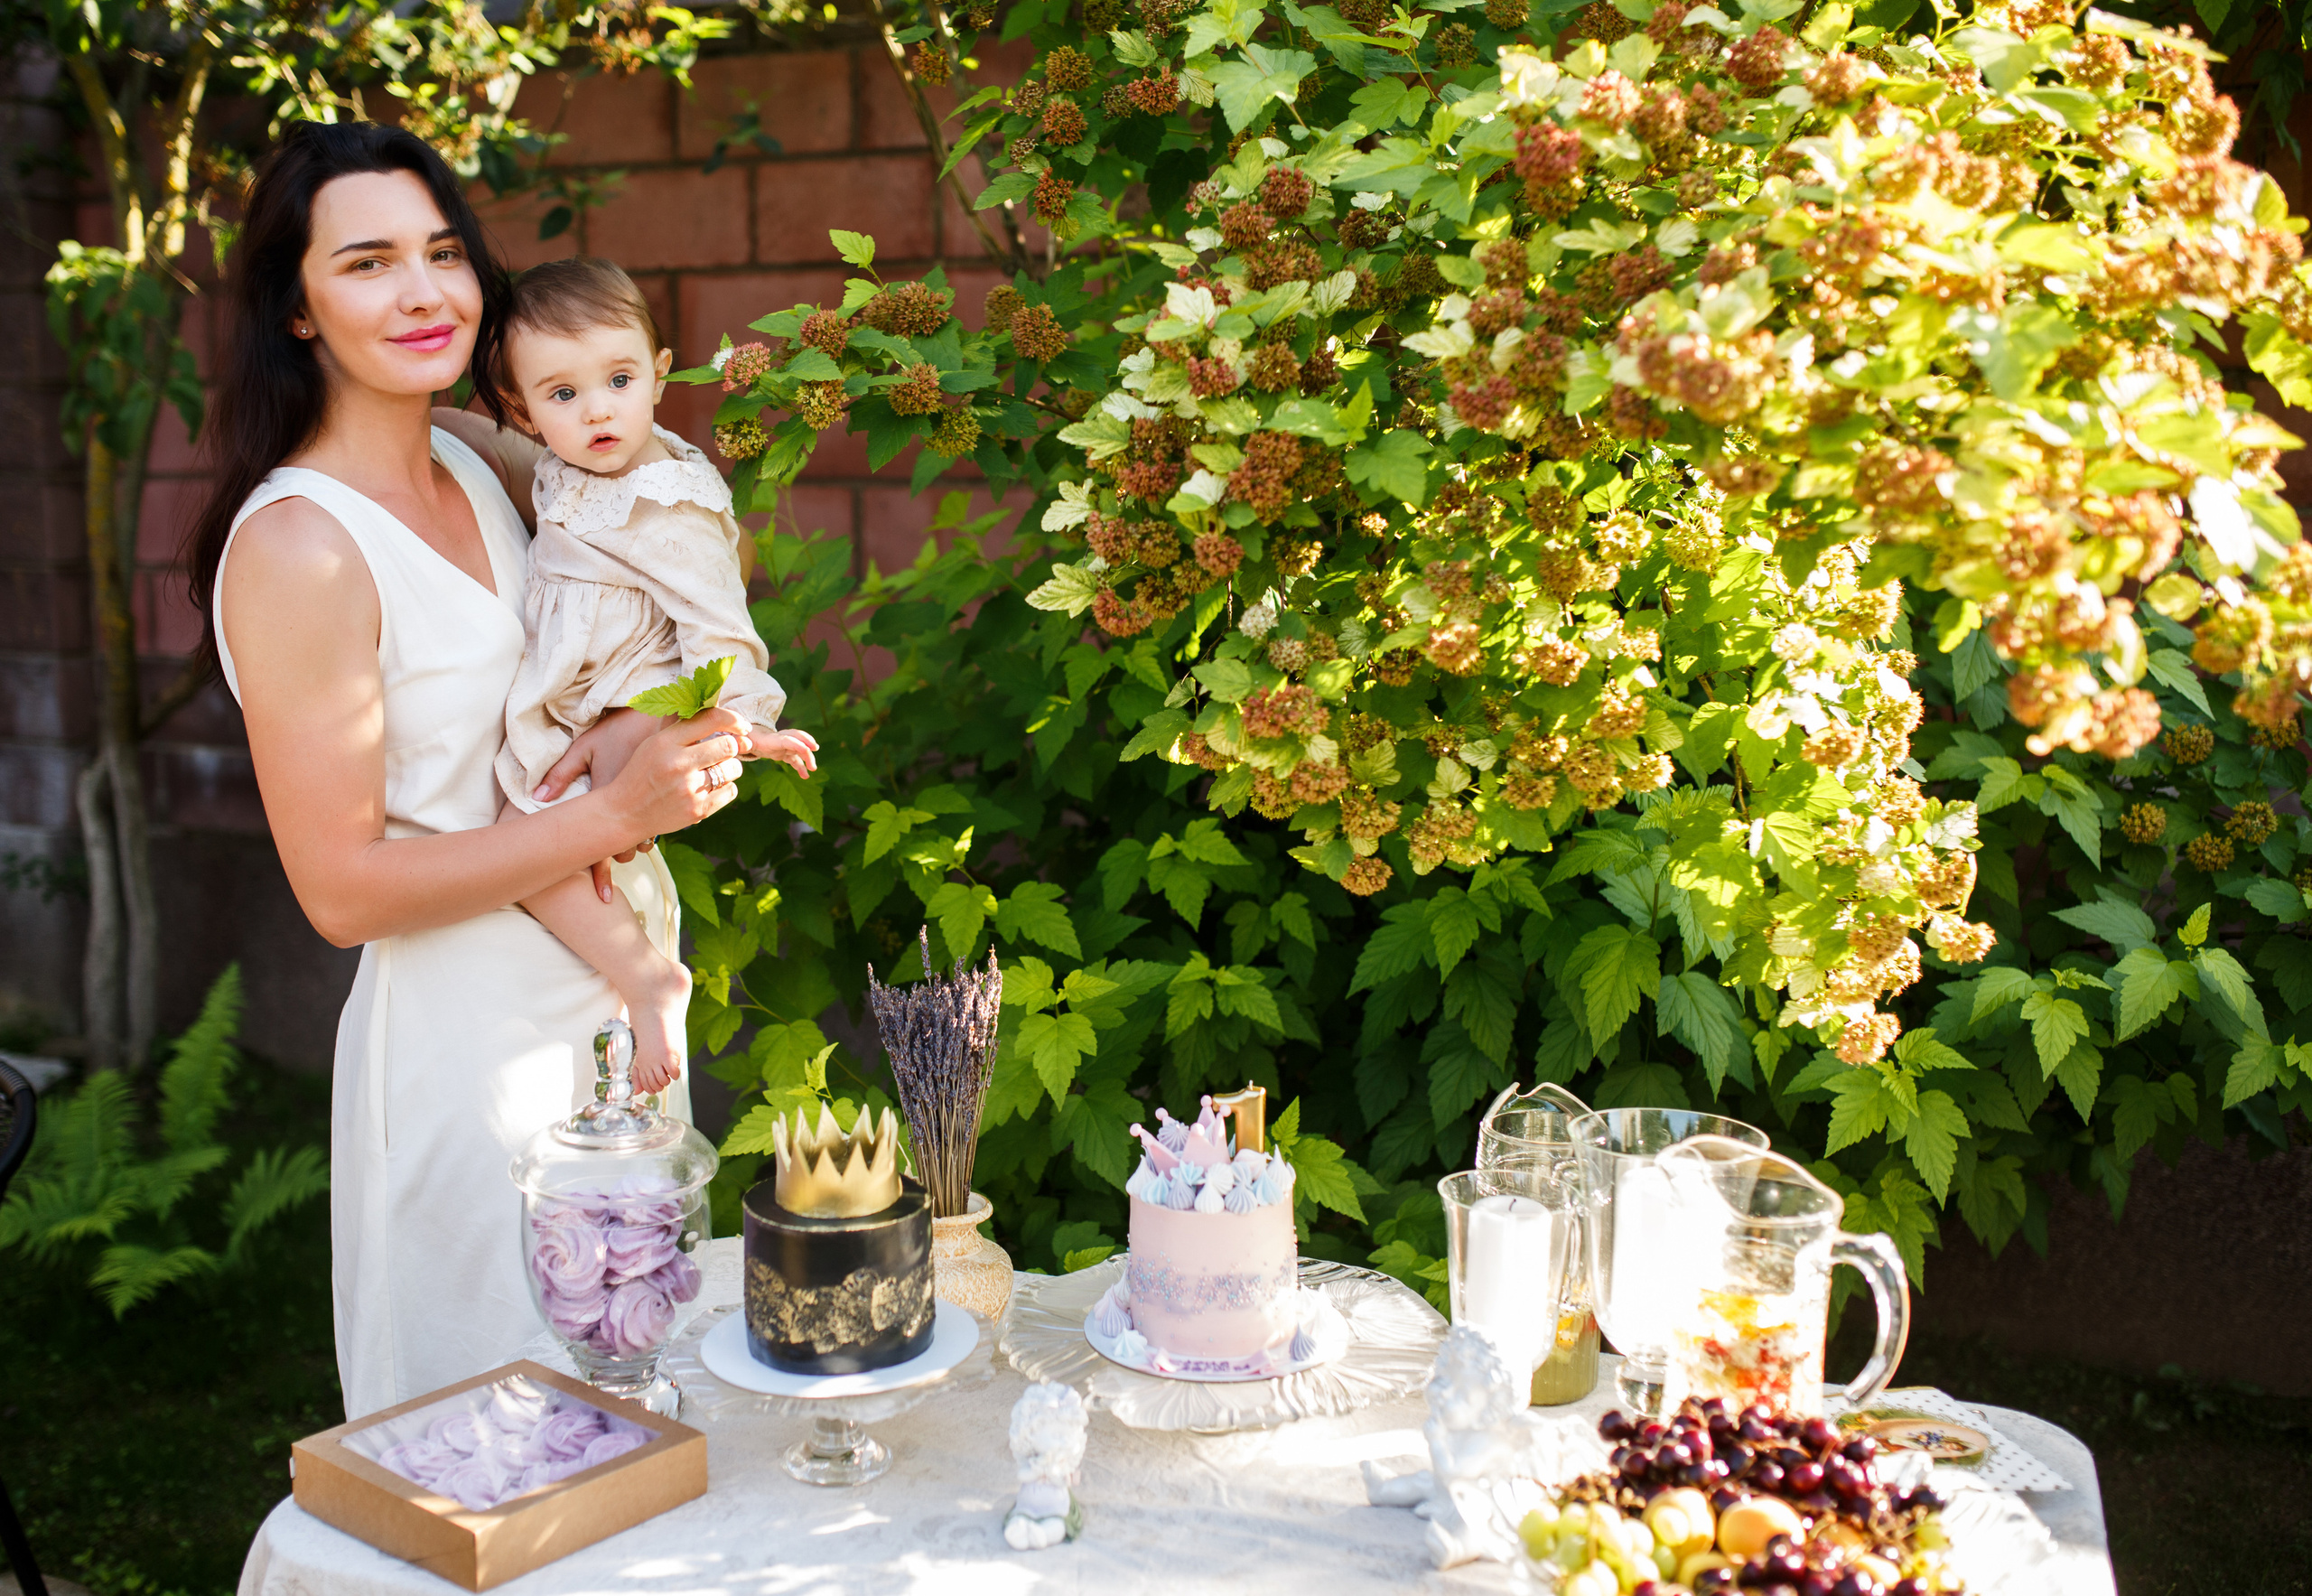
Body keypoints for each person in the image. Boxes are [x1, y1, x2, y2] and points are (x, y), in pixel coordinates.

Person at [182, 121, 747, 1420]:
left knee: (640, 1450)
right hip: (470, 1073)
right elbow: (341, 888)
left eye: (443, 251)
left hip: (607, 1033)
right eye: (369, 261)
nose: (425, 289)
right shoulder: (303, 550)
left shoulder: (484, 463)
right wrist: (611, 809)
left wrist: (648, 728)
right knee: (506, 1463)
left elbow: (636, 597)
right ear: (299, 307)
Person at [480, 258, 817, 1097]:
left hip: (623, 691)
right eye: (561, 395)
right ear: (522, 413)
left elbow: (719, 619)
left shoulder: (666, 498)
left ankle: (647, 978)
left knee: (521, 831)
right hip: (583, 687)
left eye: (620, 379)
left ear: (660, 374)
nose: (597, 409)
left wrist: (743, 719)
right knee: (542, 836)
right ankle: (631, 964)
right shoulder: (574, 460)